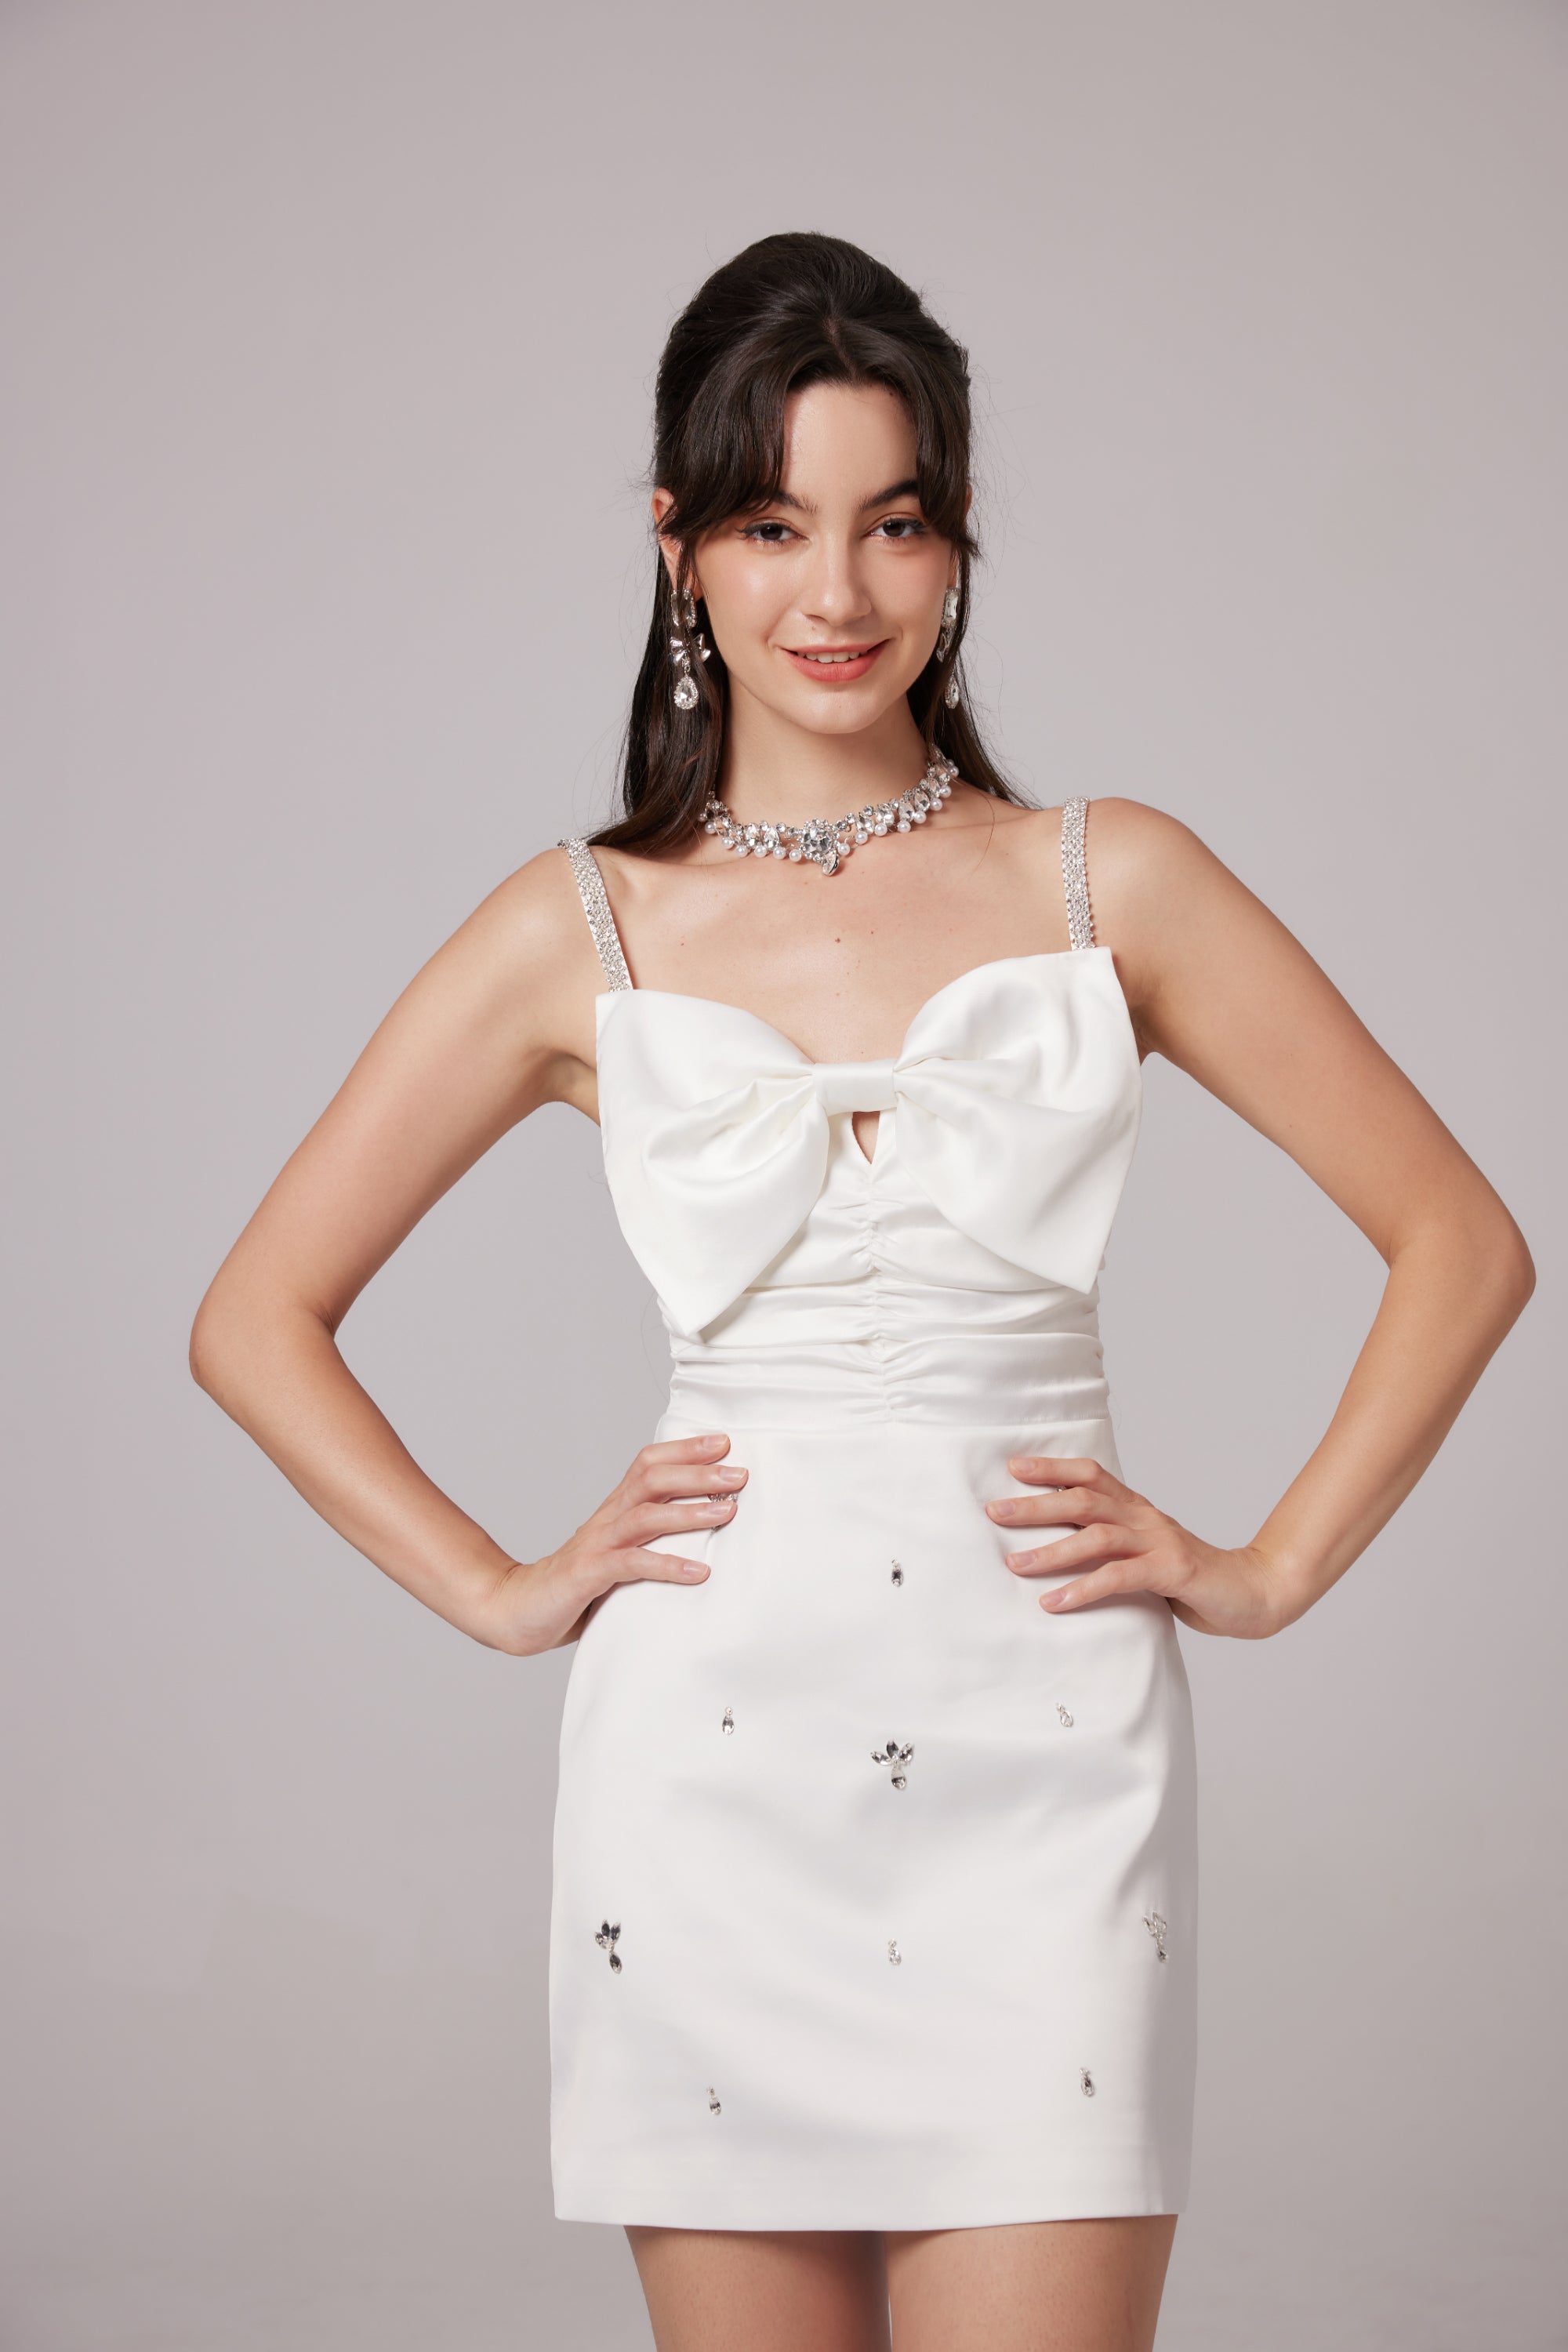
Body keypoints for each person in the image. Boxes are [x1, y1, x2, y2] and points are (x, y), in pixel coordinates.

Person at [189, 232, 1534, 2352]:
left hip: (1050, 1760)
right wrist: (504, 1587)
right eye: (771, 525)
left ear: (958, 537)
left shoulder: (1112, 880)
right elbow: (253, 1315)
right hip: (710, 1779)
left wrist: (1269, 1568)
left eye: (894, 523)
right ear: (678, 546)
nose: (837, 591)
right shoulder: (580, 929)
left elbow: (1464, 1241)